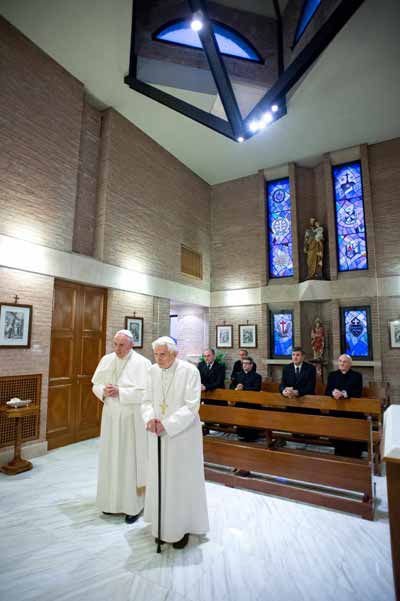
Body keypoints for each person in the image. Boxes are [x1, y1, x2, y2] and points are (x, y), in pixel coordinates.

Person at [142, 336, 209, 549]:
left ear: (175, 354)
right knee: (160, 478)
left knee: (179, 481)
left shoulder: (190, 372)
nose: (159, 359)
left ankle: (182, 528)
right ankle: (161, 525)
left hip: (182, 436)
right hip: (157, 434)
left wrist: (168, 424)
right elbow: (146, 400)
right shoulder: (152, 371)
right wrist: (150, 418)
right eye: (156, 354)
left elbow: (191, 406)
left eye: (163, 354)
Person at [92, 329, 151, 523]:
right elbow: (95, 384)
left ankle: (133, 506)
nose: (117, 349)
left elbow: (146, 394)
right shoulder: (107, 359)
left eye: (121, 345)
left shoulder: (142, 364)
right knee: (110, 458)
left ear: (131, 345)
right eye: (115, 344)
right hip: (110, 416)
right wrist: (104, 391)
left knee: (128, 460)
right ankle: (111, 503)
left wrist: (121, 392)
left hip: (131, 419)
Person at [325, 354, 365, 457]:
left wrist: (344, 394)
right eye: (340, 361)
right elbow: (327, 391)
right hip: (336, 410)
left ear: (350, 364)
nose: (342, 363)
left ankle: (354, 454)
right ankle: (338, 452)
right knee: (336, 429)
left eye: (344, 362)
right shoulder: (332, 375)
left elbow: (357, 392)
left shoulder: (357, 376)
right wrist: (333, 393)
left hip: (352, 411)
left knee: (354, 429)